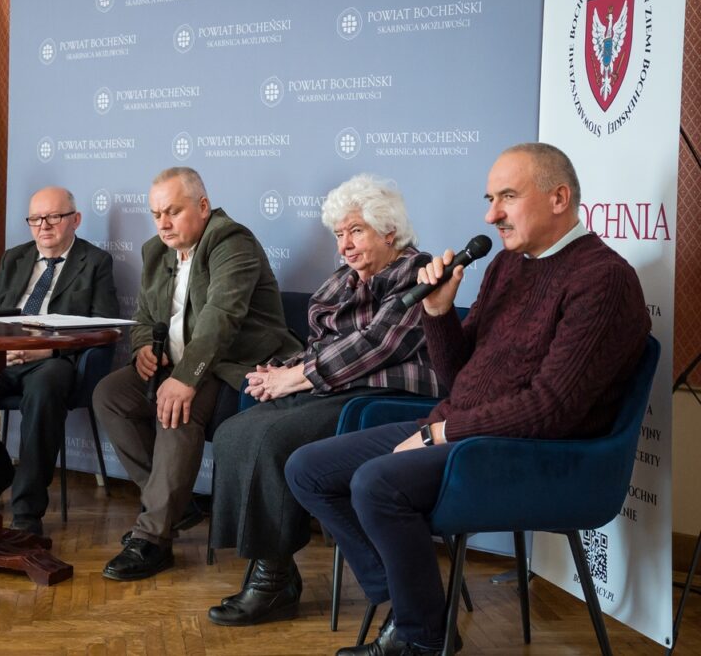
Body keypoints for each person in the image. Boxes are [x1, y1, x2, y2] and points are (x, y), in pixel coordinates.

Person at [285, 143, 651, 656]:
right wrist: (437, 312)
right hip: (463, 430)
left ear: (558, 198)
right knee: (307, 469)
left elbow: (550, 408)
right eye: (489, 199)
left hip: (531, 453)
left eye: (507, 197)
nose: (490, 215)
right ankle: (414, 609)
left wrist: (441, 433)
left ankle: (420, 637)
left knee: (376, 483)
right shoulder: (507, 265)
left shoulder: (603, 279)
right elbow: (459, 378)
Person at [207, 174, 443, 627]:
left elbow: (378, 345)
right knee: (235, 430)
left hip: (387, 398)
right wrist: (280, 371)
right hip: (334, 388)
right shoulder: (342, 281)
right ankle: (273, 570)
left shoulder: (419, 272)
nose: (345, 245)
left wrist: (297, 378)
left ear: (389, 231)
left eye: (356, 231)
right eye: (339, 234)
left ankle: (272, 582)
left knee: (272, 437)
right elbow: (320, 347)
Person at [93, 166, 301, 581]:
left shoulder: (231, 241)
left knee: (175, 409)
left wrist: (185, 378)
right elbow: (144, 317)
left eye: (173, 211)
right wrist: (144, 348)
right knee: (109, 395)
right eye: (156, 214)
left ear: (203, 206)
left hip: (236, 367)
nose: (163, 223)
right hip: (176, 363)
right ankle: (176, 504)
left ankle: (153, 537)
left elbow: (220, 319)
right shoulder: (156, 251)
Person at [0, 186, 119, 536]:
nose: (44, 226)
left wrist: (48, 350)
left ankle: (27, 510)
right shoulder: (15, 257)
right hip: (4, 357)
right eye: (35, 219)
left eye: (54, 217)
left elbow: (104, 326)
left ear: (76, 219)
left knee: (45, 387)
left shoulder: (95, 261)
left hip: (52, 361)